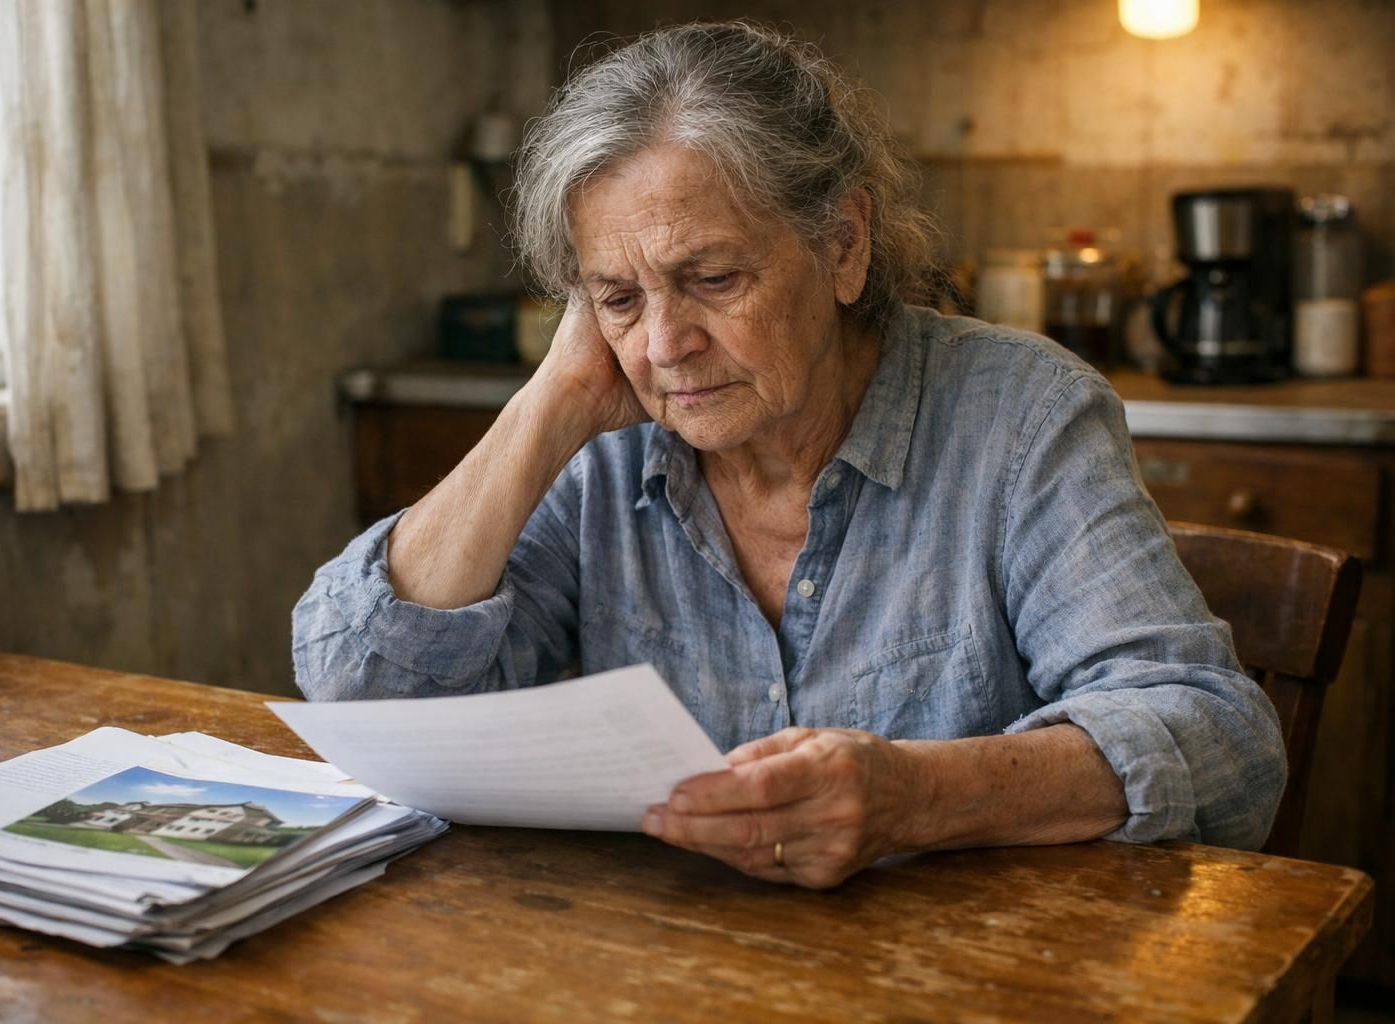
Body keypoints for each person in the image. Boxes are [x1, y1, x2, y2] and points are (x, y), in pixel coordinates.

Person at [292, 22, 1286, 889]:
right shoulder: (604, 438)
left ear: (845, 243)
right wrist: (549, 402)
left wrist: (914, 797)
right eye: (619, 297)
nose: (664, 344)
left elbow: (1223, 745)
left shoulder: (1021, 418)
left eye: (712, 276)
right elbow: (356, 683)